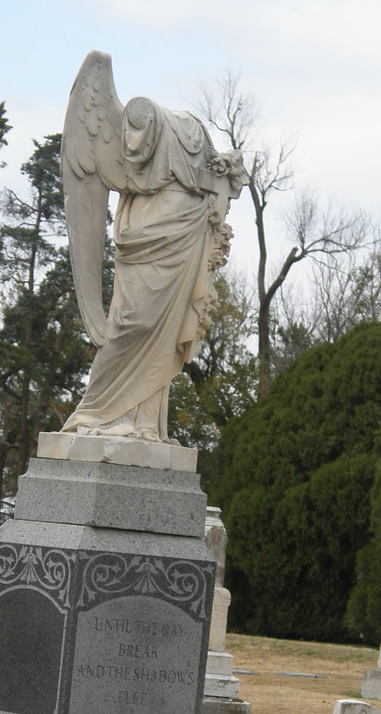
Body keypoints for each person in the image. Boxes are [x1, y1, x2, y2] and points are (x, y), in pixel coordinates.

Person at [61, 57, 246, 443]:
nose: (131, 147)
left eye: (141, 136)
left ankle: (145, 423)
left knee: (162, 336)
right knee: (128, 327)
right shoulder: (136, 172)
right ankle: (99, 412)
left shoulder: (190, 140)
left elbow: (219, 181)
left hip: (177, 249)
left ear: (158, 132)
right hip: (139, 252)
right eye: (128, 134)